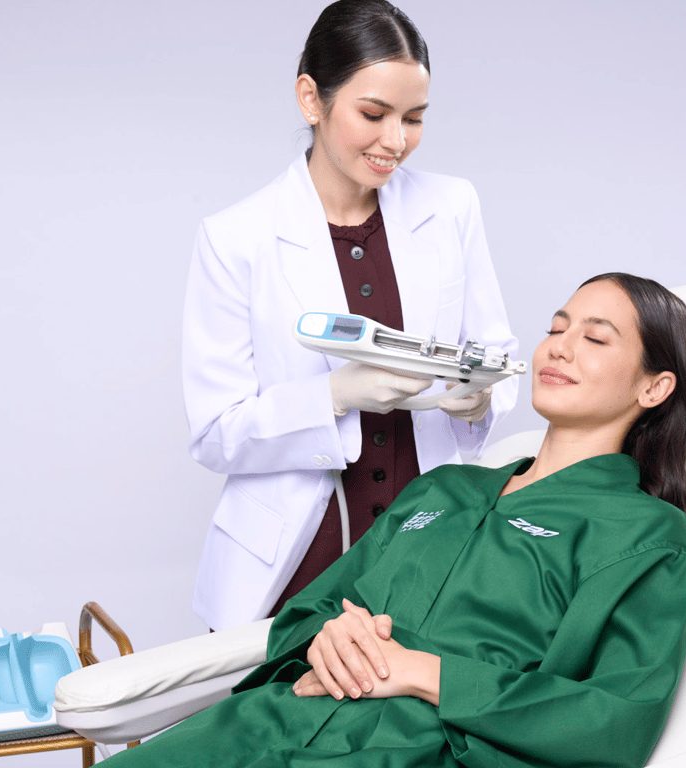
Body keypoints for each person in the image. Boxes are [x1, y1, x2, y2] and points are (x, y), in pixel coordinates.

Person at [104, 273, 686, 767]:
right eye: (555, 328)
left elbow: (616, 721)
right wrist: (327, 637)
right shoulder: (443, 489)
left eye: (595, 338)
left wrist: (423, 673)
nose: (559, 347)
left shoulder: (647, 534)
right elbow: (310, 611)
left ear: (654, 388)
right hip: (273, 720)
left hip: (422, 748)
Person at [183, 0, 519, 631]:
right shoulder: (236, 238)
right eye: (373, 114)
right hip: (296, 561)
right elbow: (216, 433)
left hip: (428, 546)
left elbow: (496, 355)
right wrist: (333, 396)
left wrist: (478, 402)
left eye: (414, 118)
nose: (396, 141)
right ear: (311, 99)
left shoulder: (451, 207)